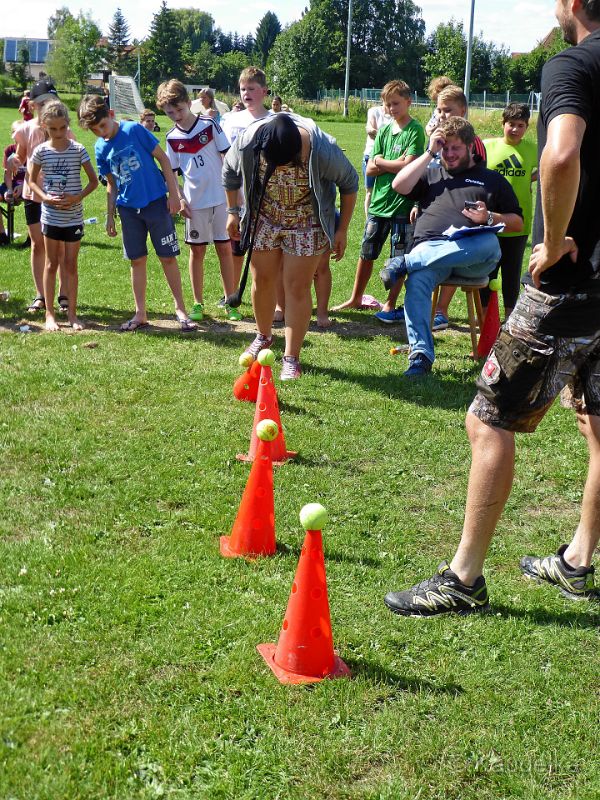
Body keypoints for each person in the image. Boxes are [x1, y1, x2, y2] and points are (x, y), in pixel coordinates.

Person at [383, 0, 600, 617]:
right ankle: (577, 562)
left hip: (569, 285)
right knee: (599, 425)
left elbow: (559, 155)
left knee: (488, 418)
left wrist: (554, 238)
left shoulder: (573, 65)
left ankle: (464, 579)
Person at [381, 116, 522, 377]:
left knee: (490, 242)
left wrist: (489, 218)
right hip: (431, 254)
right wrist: (428, 152)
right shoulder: (432, 172)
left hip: (471, 256)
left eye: (455, 147)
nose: (449, 153)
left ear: (470, 147)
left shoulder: (491, 179)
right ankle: (421, 356)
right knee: (418, 280)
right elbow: (398, 185)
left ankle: (407, 262)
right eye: (444, 147)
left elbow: (517, 222)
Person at [223, 113, 358, 380]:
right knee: (262, 278)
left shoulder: (321, 148)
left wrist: (341, 230)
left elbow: (350, 182)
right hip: (265, 215)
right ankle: (263, 337)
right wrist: (232, 211)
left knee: (296, 286)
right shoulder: (249, 141)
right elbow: (229, 172)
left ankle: (291, 357)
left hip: (307, 219)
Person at [77, 94, 196, 333]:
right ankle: (140, 313)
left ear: (110, 115)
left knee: (168, 257)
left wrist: (175, 196)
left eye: (102, 125)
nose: (100, 132)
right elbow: (111, 183)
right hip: (128, 210)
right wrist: (110, 215)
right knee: (137, 260)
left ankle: (181, 309)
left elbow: (163, 159)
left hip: (155, 204)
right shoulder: (100, 148)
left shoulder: (134, 130)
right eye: (94, 130)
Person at [332, 80, 425, 319]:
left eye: (396, 103)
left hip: (403, 205)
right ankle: (355, 298)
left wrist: (384, 162)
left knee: (398, 258)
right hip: (379, 204)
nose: (392, 108)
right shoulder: (383, 131)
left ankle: (389, 303)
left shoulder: (415, 130)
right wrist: (391, 164)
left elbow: (410, 166)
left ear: (408, 102)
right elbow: (370, 169)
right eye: (388, 104)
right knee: (367, 252)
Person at [156, 79, 239, 323]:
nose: (176, 116)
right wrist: (180, 198)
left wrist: (236, 193)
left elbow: (227, 156)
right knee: (197, 252)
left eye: (179, 110)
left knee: (225, 248)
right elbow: (171, 173)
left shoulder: (210, 124)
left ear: (188, 103)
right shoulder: (171, 137)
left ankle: (230, 300)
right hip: (194, 204)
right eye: (170, 113)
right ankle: (197, 302)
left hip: (221, 199)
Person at [28, 101, 98, 331]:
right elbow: (31, 181)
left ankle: (72, 315)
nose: (58, 133)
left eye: (62, 128)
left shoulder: (78, 149)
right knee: (51, 263)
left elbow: (93, 181)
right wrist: (45, 198)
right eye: (53, 129)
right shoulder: (41, 151)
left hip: (74, 218)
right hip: (50, 217)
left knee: (70, 265)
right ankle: (50, 314)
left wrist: (77, 197)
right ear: (44, 127)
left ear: (68, 125)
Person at [429, 85, 488, 330]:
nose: (443, 115)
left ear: (463, 110)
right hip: (435, 206)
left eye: (449, 110)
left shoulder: (474, 142)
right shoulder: (436, 137)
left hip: (461, 209)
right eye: (440, 110)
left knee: (452, 255)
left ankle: (441, 310)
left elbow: (481, 179)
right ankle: (429, 308)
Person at [14, 80, 73, 313]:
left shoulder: (64, 130)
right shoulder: (26, 129)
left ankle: (63, 294)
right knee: (39, 245)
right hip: (34, 196)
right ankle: (40, 295)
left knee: (59, 248)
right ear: (34, 106)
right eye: (44, 103)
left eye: (53, 102)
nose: (49, 106)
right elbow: (20, 157)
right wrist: (14, 162)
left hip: (58, 197)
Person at [221, 67, 274, 306]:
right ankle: (231, 294)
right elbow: (225, 160)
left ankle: (266, 296)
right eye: (243, 89)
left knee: (265, 252)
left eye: (252, 88)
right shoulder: (231, 121)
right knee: (235, 247)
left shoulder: (274, 121)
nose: (246, 93)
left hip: (266, 197)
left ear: (264, 91)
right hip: (237, 195)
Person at [482, 103, 537, 319]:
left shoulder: (532, 149)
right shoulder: (488, 146)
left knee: (512, 273)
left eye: (520, 125)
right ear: (503, 124)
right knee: (487, 272)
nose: (515, 129)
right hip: (489, 221)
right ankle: (485, 318)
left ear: (527, 127)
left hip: (519, 221)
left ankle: (509, 318)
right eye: (511, 124)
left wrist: (528, 179)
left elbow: (544, 169)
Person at [362, 96, 391, 217]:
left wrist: (378, 133)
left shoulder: (396, 115)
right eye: (386, 100)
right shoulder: (374, 111)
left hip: (389, 157)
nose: (389, 104)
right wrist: (389, 137)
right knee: (369, 191)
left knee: (386, 190)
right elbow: (369, 130)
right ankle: (369, 220)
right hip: (370, 155)